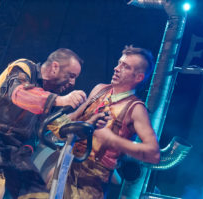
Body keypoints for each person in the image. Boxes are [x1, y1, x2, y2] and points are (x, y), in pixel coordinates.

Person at [0, 48, 92, 199]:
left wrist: (88, 126)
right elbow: (20, 94)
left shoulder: (49, 94)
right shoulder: (24, 68)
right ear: (55, 67)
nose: (73, 82)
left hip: (16, 151)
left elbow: (57, 124)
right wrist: (61, 100)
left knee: (38, 196)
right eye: (71, 76)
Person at [48, 45, 160, 199]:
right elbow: (73, 118)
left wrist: (112, 140)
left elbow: (153, 154)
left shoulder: (136, 109)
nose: (116, 68)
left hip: (91, 181)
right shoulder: (100, 89)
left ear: (138, 77)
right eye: (119, 63)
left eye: (125, 66)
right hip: (66, 163)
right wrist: (51, 110)